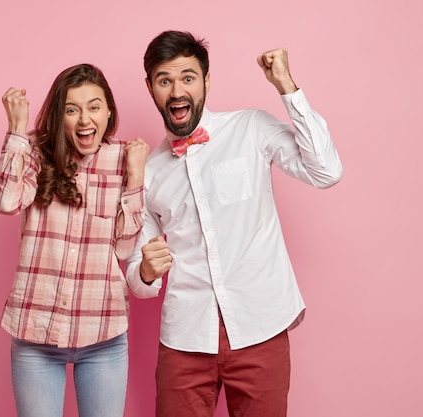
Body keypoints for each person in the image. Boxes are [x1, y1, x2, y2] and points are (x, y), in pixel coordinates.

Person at [125, 31, 343, 417]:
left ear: (206, 81)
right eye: (165, 80)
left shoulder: (251, 129)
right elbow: (141, 282)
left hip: (260, 327)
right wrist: (144, 272)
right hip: (185, 338)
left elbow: (325, 171)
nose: (177, 91)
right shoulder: (150, 171)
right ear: (151, 89)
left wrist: (288, 89)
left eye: (188, 78)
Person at [0, 63, 149, 417]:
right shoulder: (33, 150)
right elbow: (7, 202)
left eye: (94, 106)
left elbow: (125, 249)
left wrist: (136, 177)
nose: (84, 120)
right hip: (36, 330)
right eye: (72, 109)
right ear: (59, 115)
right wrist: (17, 130)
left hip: (103, 333)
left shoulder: (125, 158)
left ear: (109, 111)